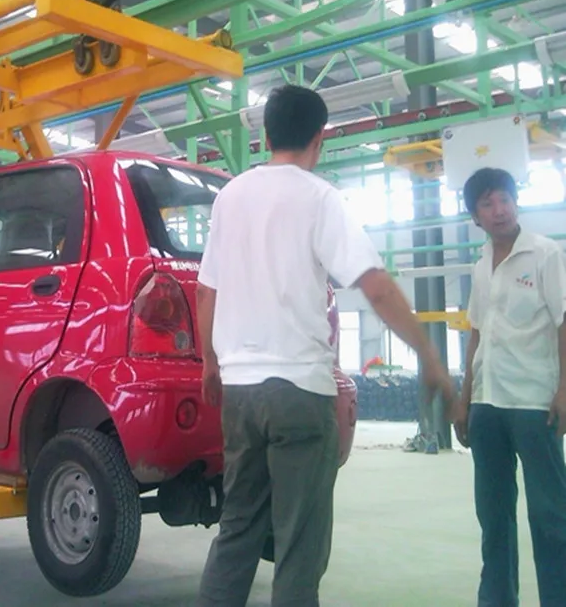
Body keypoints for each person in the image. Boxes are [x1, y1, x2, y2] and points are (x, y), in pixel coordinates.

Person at [196, 84, 455, 607]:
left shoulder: (230, 196)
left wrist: (210, 363)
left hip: (240, 392)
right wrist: (428, 356)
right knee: (299, 543)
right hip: (299, 390)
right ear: (320, 139)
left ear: (265, 136)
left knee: (237, 529)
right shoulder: (319, 198)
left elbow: (207, 290)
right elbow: (375, 286)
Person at [453, 167, 566, 607]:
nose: (499, 210)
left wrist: (564, 389)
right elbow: (476, 334)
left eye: (504, 199)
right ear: (475, 216)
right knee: (493, 516)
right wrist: (465, 398)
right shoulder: (481, 266)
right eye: (488, 203)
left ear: (516, 202)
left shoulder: (545, 254)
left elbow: (563, 322)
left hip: (534, 403)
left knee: (551, 515)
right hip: (487, 405)